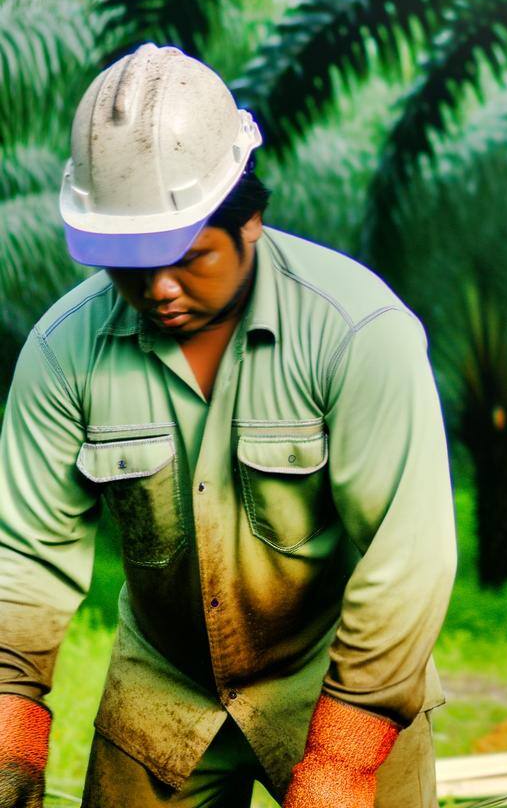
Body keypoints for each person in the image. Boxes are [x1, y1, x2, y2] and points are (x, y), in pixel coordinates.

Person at [0, 44, 457, 808]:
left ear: (249, 221)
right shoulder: (62, 350)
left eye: (184, 257)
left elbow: (408, 557)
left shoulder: (358, 330)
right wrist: (10, 714)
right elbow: (25, 552)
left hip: (335, 679)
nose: (158, 289)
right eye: (128, 263)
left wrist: (346, 753)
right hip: (163, 688)